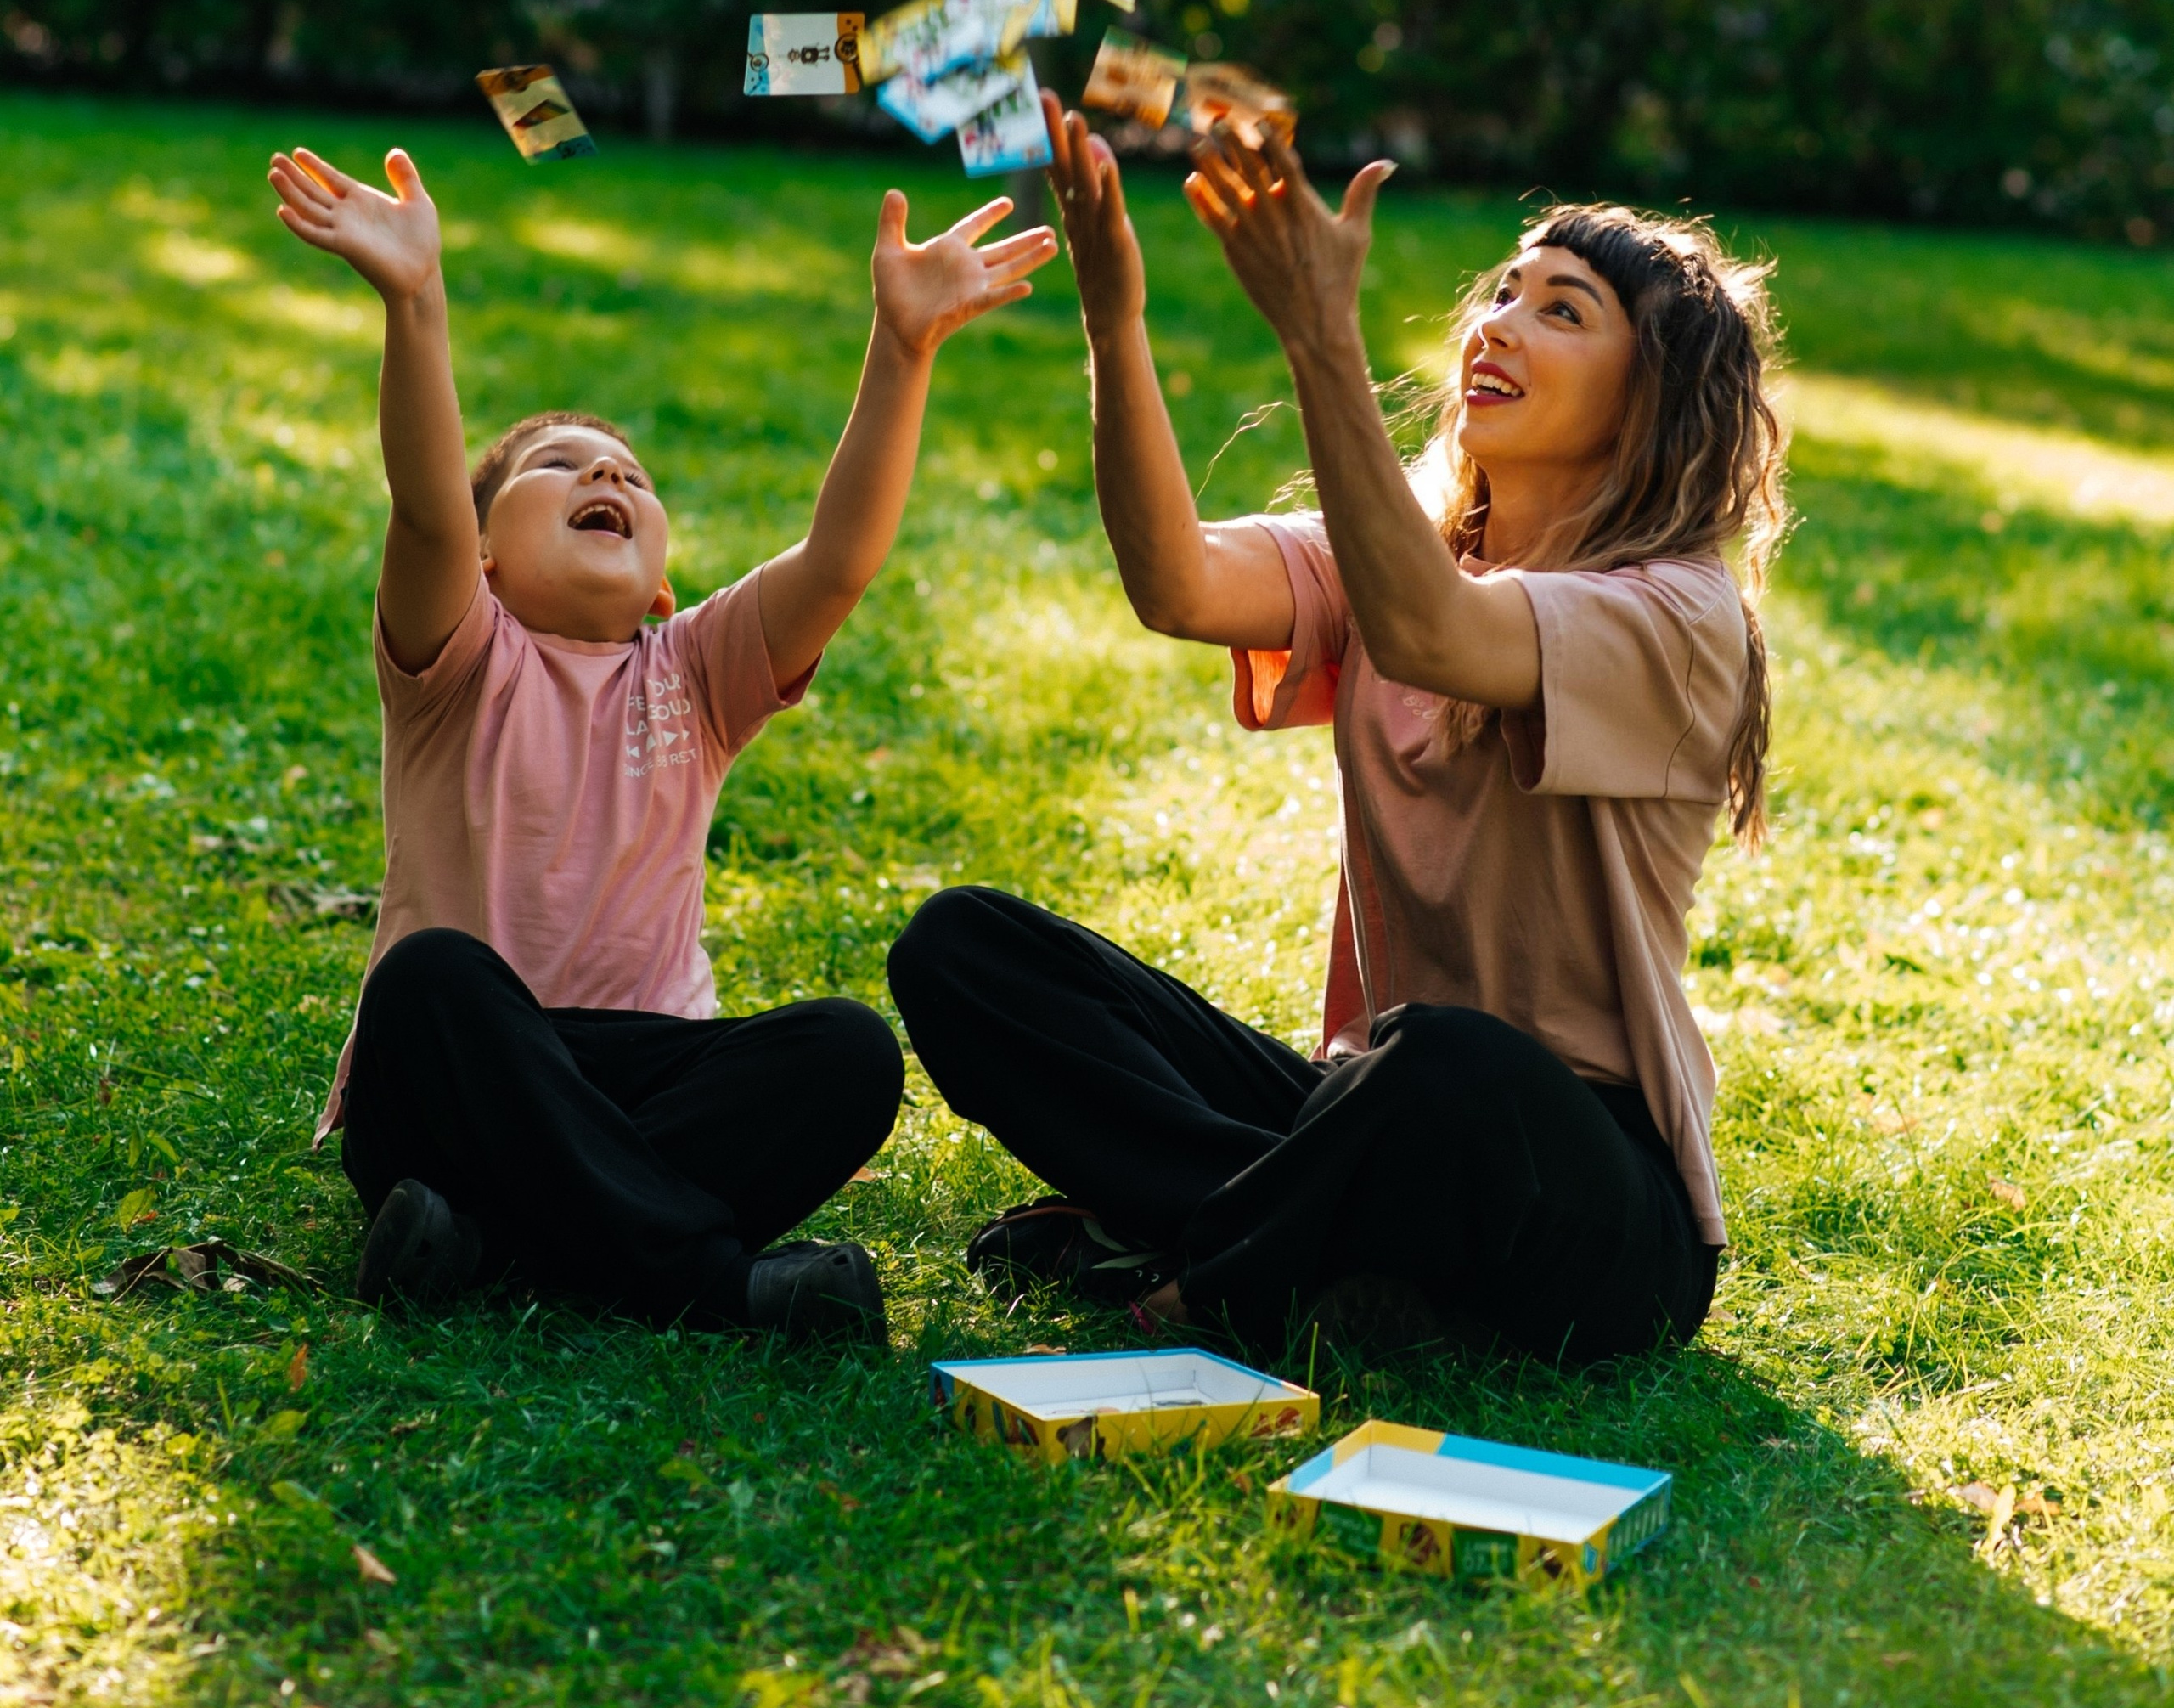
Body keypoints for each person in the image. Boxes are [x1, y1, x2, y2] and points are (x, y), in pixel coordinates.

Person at [887, 98, 1784, 1368]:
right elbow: (1177, 584)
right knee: (967, 950)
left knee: (1445, 1061)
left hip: (1592, 1205)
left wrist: (1319, 337)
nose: (1498, 323)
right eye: (1506, 292)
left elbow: (1433, 636)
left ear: (1651, 402)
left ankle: (1213, 1270)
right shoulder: (1404, 552)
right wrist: (1116, 320)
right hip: (1365, 1110)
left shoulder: (1678, 613)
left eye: (1562, 310)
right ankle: (1320, 1254)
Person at [267, 137, 1055, 1343]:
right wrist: (414, 301)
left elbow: (839, 560)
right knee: (431, 982)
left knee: (846, 1055)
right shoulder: (459, 657)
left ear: (662, 591)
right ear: (481, 558)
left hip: (642, 1081)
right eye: (560, 467)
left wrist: (903, 352)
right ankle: (708, 1281)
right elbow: (426, 501)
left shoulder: (693, 673)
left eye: (627, 472)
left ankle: (483, 1241)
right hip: (456, 1080)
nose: (606, 475)